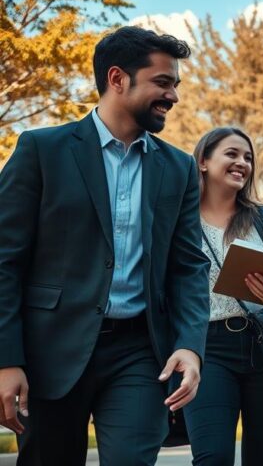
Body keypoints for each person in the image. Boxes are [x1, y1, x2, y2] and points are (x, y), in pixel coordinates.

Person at [0, 26, 210, 465]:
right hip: (50, 351)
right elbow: (5, 261)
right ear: (117, 79)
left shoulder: (179, 168)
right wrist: (6, 360)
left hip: (139, 353)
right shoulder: (42, 150)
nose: (173, 96)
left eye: (175, 85)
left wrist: (190, 345)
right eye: (163, 82)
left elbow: (188, 267)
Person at [185, 127, 263, 465]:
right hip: (206, 349)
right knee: (212, 458)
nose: (242, 163)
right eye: (232, 154)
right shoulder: (181, 219)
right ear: (204, 161)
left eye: (248, 158)